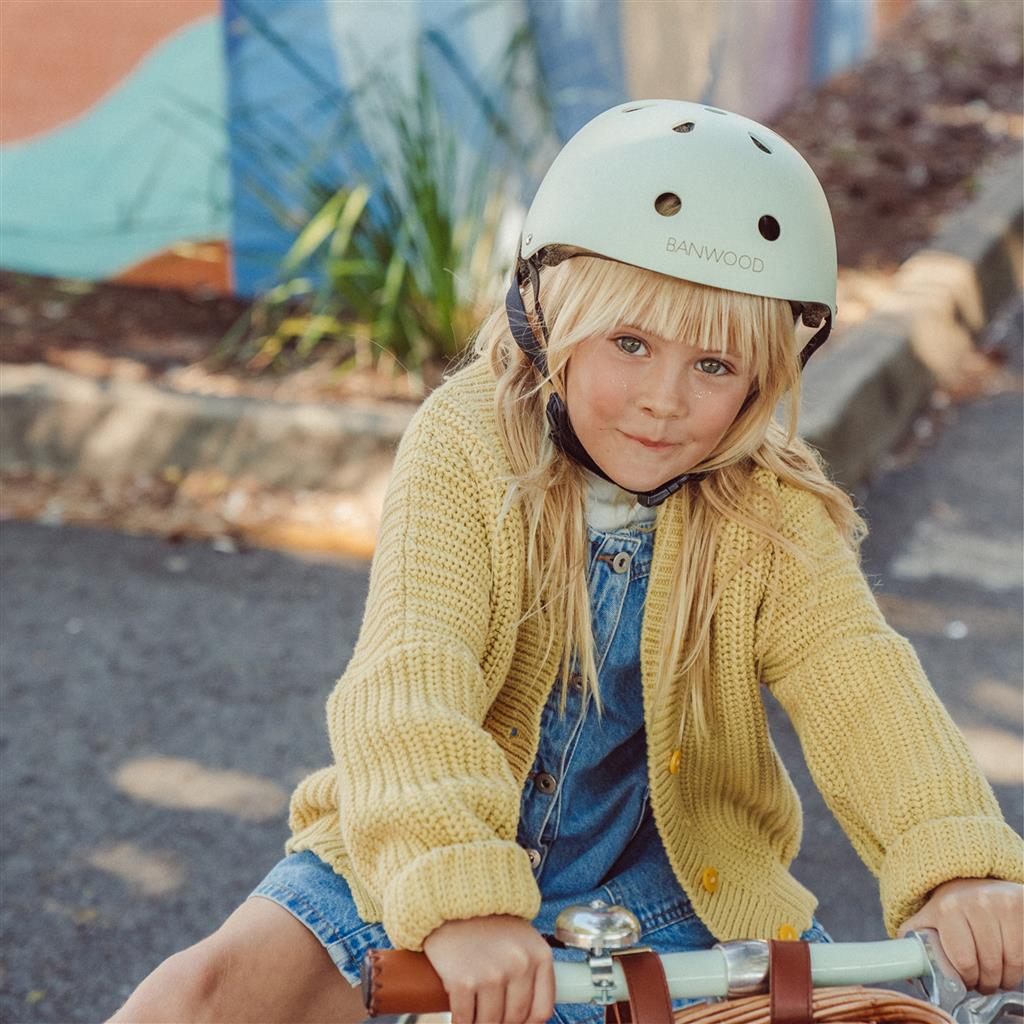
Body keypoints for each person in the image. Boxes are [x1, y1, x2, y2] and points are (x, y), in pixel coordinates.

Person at [109, 99, 1024, 1024]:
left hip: (665, 891)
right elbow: (411, 675)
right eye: (630, 344)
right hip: (420, 844)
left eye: (714, 366)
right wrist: (462, 895)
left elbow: (859, 680)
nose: (663, 401)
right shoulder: (469, 444)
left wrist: (957, 863)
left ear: (765, 377)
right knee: (199, 998)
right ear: (550, 318)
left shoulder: (765, 497)